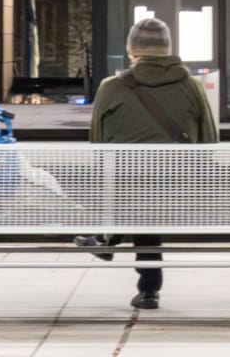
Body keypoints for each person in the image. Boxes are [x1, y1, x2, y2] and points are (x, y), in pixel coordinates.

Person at [78, 17, 218, 311]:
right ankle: (139, 278)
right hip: (181, 189)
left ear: (132, 51)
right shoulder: (192, 86)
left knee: (136, 188)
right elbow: (208, 141)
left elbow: (97, 147)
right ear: (168, 50)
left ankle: (113, 245)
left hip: (126, 191)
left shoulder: (111, 87)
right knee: (150, 192)